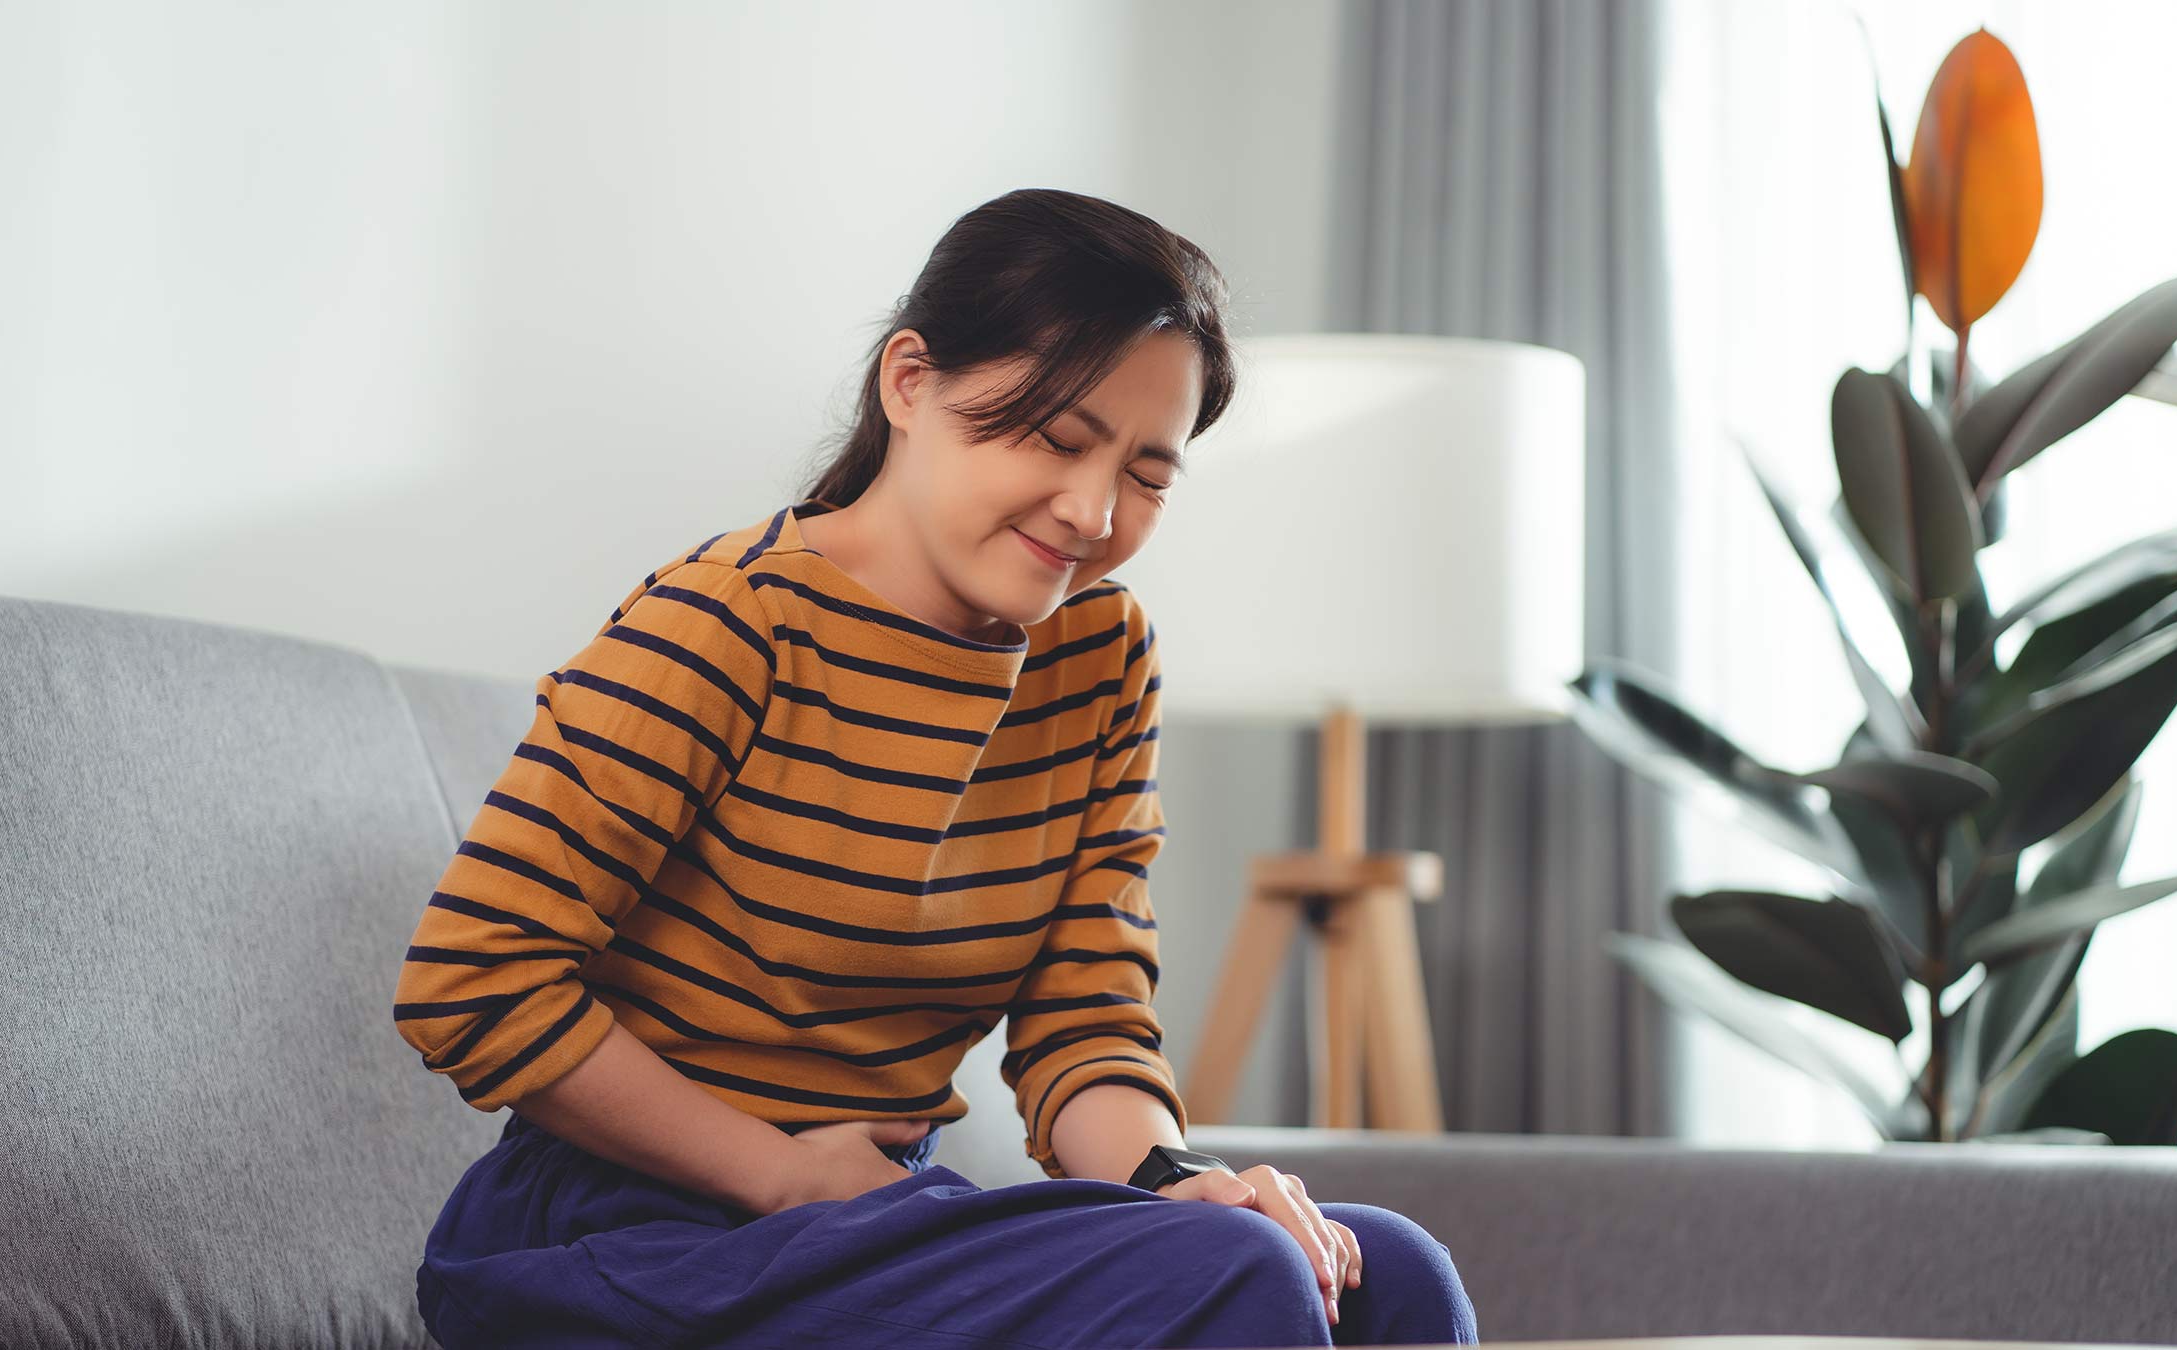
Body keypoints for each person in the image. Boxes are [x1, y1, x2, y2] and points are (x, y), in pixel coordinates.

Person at [392, 186, 1480, 1349]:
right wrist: (779, 1176)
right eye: (1057, 438)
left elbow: (1084, 1019)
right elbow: (471, 979)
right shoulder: (726, 623)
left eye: (1148, 475)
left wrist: (1177, 1181)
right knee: (1234, 1277)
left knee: (1388, 1273)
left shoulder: (1098, 658)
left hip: (871, 1223)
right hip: (621, 1233)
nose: (1091, 508)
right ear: (909, 382)